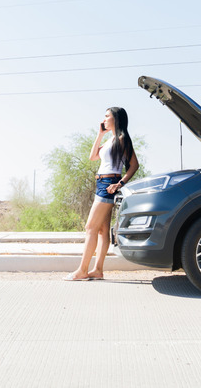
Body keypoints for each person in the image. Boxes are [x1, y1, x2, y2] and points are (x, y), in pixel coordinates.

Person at [64, 107, 139, 281]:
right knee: (102, 231)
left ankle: (82, 270)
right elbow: (93, 157)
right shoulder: (111, 139)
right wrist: (100, 134)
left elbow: (134, 165)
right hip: (102, 183)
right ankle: (97, 270)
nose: (104, 119)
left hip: (109, 184)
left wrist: (119, 184)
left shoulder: (122, 139)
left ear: (116, 119)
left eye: (107, 116)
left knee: (90, 227)